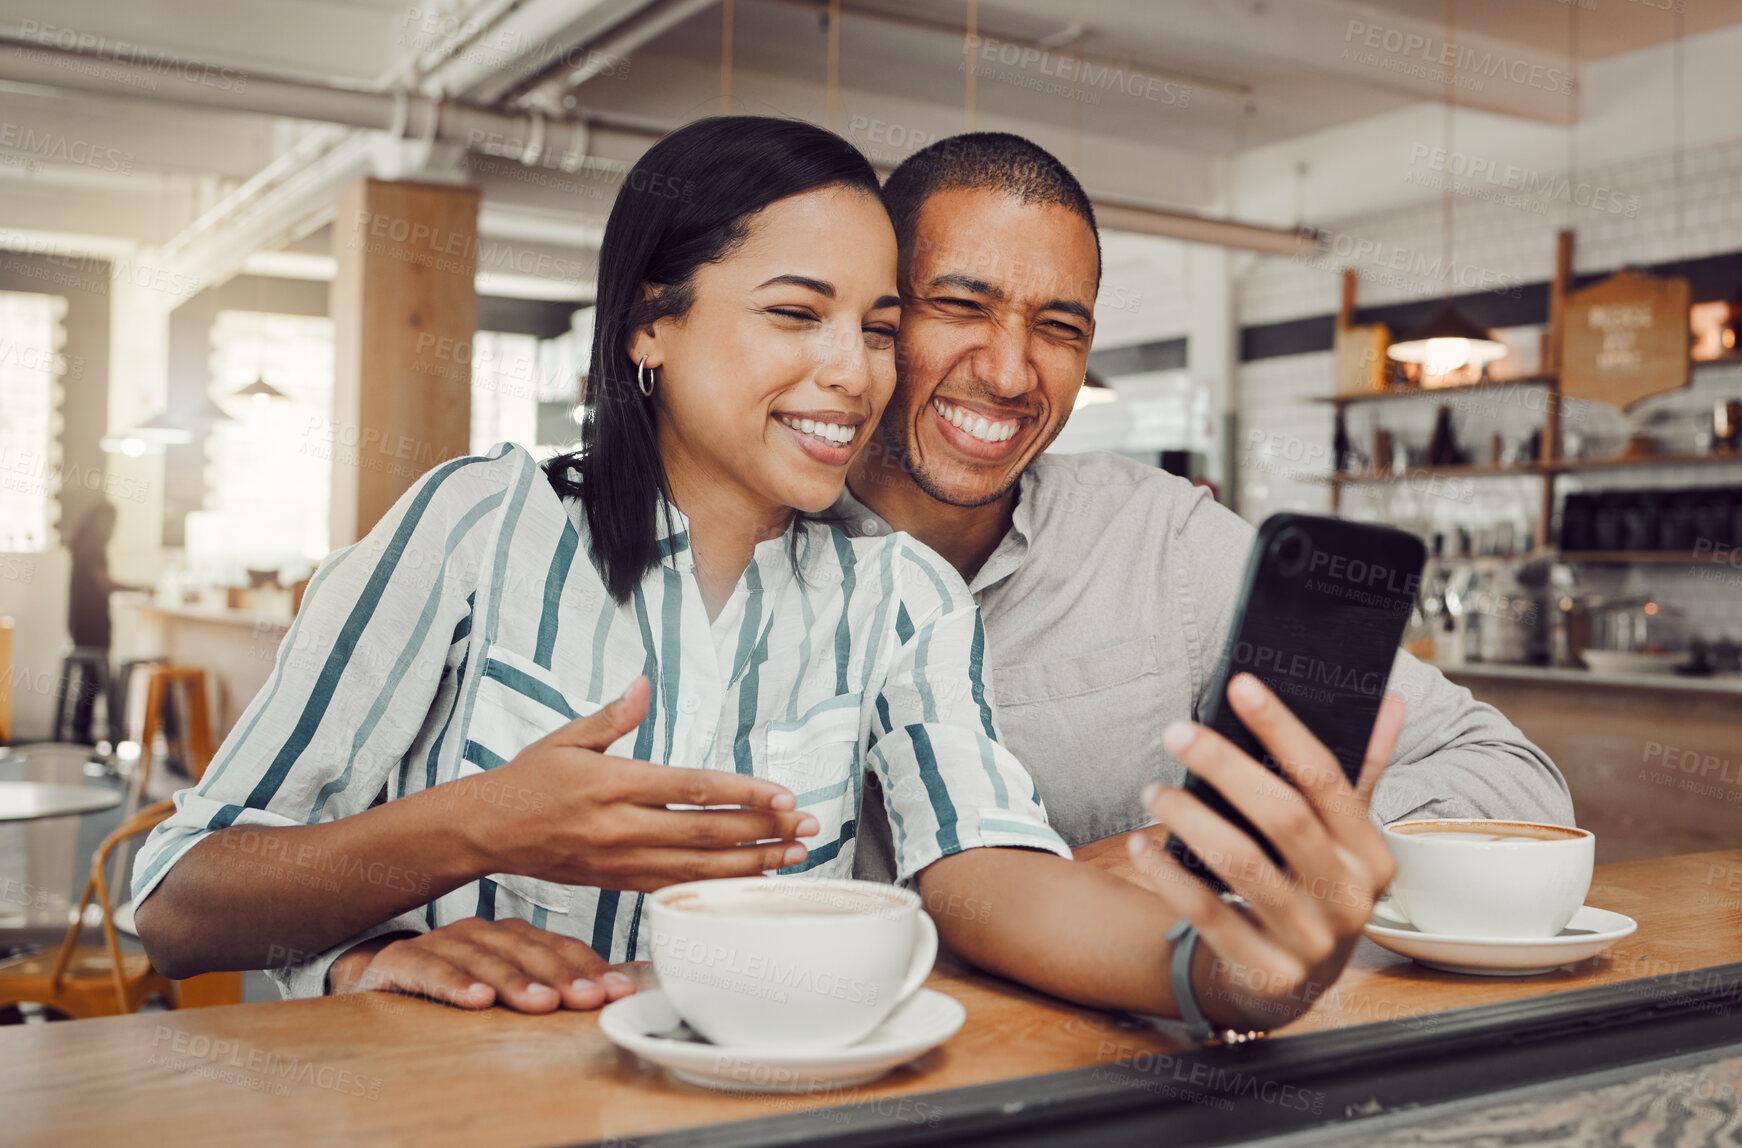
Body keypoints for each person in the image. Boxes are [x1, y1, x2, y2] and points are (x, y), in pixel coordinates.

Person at [133, 117, 1414, 1038]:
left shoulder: (896, 595)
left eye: (871, 327)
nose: (852, 374)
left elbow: (985, 870)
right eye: (794, 315)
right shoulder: (474, 526)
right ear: (650, 321)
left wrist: (1223, 972)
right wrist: (471, 832)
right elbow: (180, 899)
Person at [838, 132, 1574, 901]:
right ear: (880, 313)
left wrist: (1208, 850)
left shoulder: (1163, 541)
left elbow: (1513, 780)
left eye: (1061, 327)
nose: (1010, 371)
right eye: (961, 304)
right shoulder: (754, 543)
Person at [64, 498, 143, 744]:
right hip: (91, 624)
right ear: (99, 519)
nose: (112, 528)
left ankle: (81, 731)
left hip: (80, 622)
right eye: (110, 522)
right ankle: (82, 733)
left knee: (91, 678)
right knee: (94, 678)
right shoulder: (92, 547)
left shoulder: (83, 545)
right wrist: (140, 588)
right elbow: (104, 584)